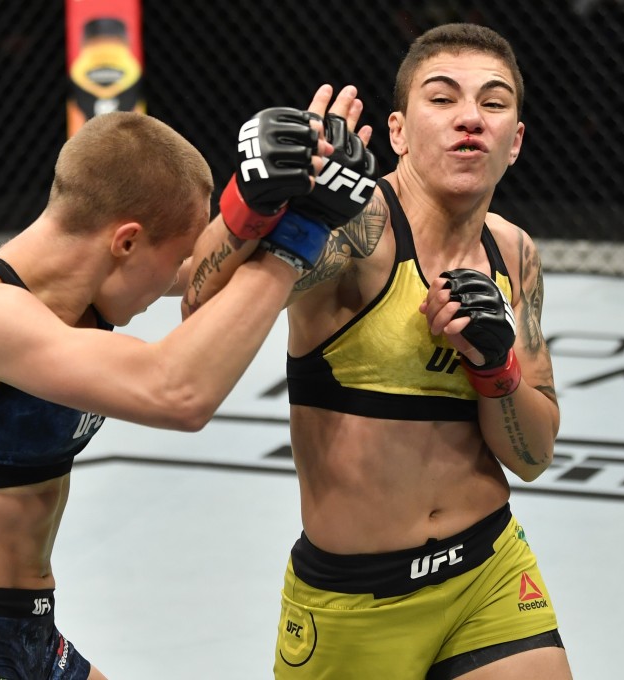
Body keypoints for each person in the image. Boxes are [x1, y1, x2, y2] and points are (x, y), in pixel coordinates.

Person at [0, 104, 361, 680]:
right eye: (172, 258)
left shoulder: (88, 286)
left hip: (32, 634)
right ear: (125, 242)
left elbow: (207, 264)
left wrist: (267, 200)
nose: (183, 277)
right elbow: (177, 392)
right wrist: (298, 237)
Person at [182, 24, 572, 679]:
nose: (471, 118)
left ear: (516, 143)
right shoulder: (358, 229)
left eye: (494, 103)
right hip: (354, 602)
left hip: (490, 573)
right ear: (397, 131)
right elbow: (200, 300)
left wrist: (494, 368)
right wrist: (253, 200)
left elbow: (533, 455)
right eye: (443, 99)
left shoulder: (516, 254)